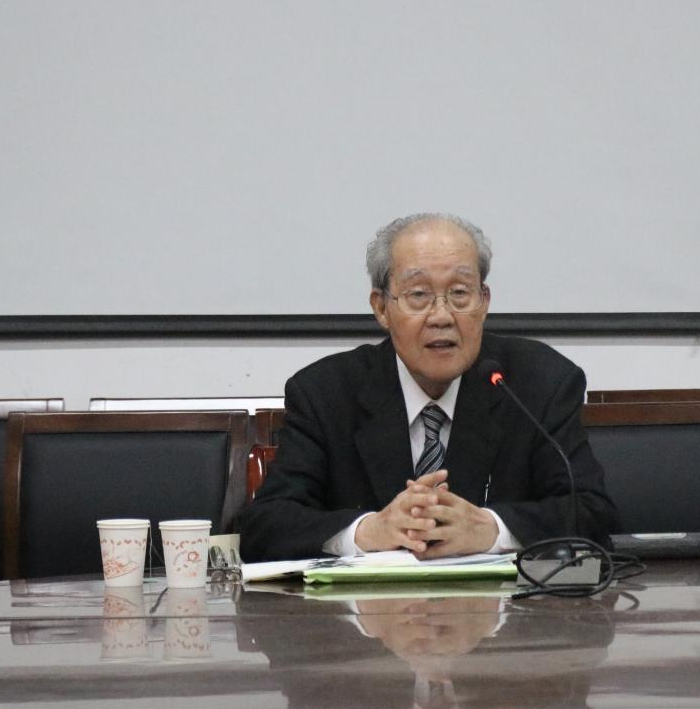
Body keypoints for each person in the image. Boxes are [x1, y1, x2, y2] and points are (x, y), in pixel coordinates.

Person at [237, 213, 619, 561]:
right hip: (366, 613)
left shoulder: (538, 383)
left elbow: (592, 512)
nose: (441, 316)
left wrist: (492, 530)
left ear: (484, 301)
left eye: (460, 293)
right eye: (418, 295)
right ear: (381, 308)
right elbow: (265, 526)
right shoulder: (326, 393)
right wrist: (368, 531)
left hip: (504, 612)